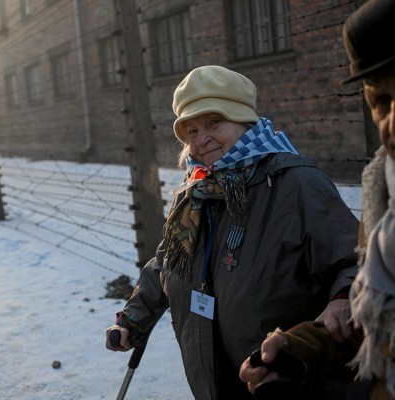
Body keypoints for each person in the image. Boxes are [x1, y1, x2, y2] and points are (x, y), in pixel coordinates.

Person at [105, 64, 360, 399]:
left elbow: (357, 261)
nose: (201, 138)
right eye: (191, 129)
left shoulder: (296, 184)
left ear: (244, 121)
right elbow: (168, 260)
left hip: (286, 380)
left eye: (214, 122)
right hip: (211, 381)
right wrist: (132, 320)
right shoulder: (194, 193)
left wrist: (343, 300)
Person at [239, 0, 395, 398]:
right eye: (380, 101)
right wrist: (297, 353)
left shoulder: (296, 183)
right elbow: (372, 320)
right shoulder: (384, 201)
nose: (392, 120)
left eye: (214, 125)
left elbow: (343, 272)